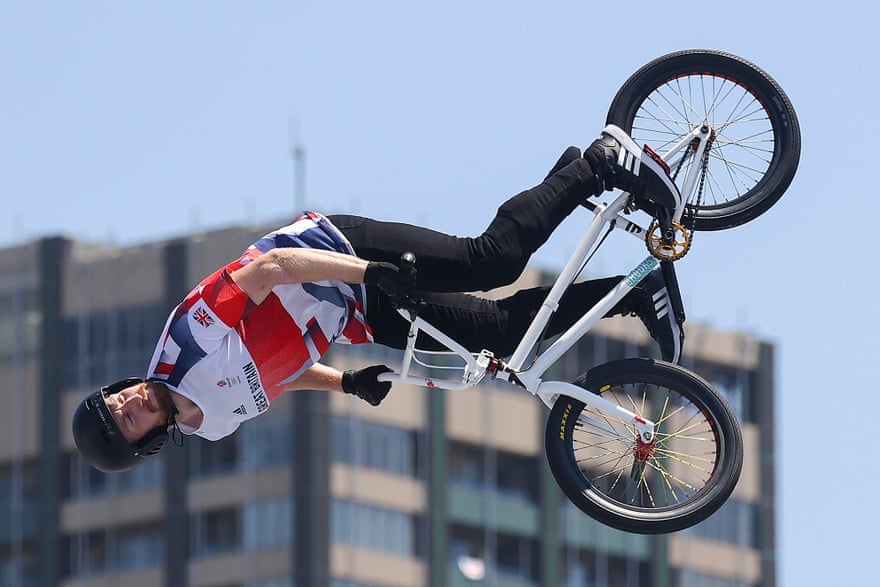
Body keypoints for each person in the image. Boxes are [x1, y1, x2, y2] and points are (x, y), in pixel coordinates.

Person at [72, 124, 684, 473]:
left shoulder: (187, 341)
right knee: (499, 335)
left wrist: (369, 271)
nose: (129, 400)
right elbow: (270, 373)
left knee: (488, 260)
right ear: (146, 443)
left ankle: (597, 166)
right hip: (358, 309)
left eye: (117, 398)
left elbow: (275, 268)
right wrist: (344, 385)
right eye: (128, 418)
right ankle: (638, 291)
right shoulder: (208, 426)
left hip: (338, 252)